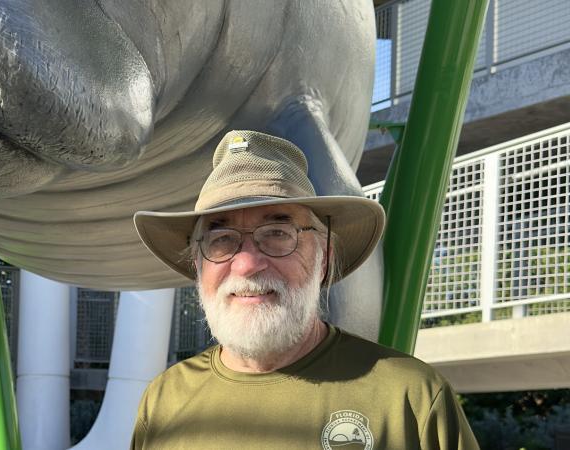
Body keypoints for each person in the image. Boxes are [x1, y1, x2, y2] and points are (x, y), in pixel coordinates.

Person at [131, 130, 479, 449]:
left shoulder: (410, 399)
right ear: (198, 265)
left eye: (278, 234)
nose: (247, 264)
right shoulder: (163, 401)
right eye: (221, 240)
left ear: (323, 258)